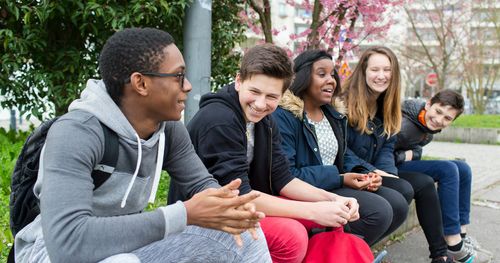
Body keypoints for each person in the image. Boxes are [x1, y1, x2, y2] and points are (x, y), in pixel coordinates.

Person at [13, 27, 271, 263]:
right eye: (179, 76)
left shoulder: (168, 130)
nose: (189, 87)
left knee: (246, 236)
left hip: (125, 246)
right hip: (50, 253)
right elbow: (67, 243)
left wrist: (228, 208)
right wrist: (184, 214)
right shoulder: (77, 133)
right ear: (141, 83)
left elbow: (202, 185)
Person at [170, 44, 372, 263]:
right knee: (291, 236)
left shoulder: (265, 120)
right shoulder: (219, 120)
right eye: (255, 92)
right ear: (239, 81)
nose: (260, 104)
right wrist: (314, 211)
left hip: (242, 207)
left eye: (271, 96)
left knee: (331, 217)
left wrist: (334, 199)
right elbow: (238, 196)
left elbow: (282, 177)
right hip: (206, 220)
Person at [341, 46, 458, 263]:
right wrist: (371, 171)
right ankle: (350, 251)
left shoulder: (388, 106)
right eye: (375, 69)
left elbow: (388, 146)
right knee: (402, 191)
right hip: (348, 171)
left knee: (420, 184)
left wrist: (388, 173)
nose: (381, 75)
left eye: (387, 70)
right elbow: (340, 149)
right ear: (363, 71)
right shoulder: (345, 103)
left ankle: (440, 255)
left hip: (374, 170)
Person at [272, 49, 395, 246]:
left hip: (331, 183)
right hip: (304, 191)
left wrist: (365, 173)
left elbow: (343, 154)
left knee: (397, 201)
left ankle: (350, 254)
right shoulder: (285, 116)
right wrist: (339, 178)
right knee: (379, 212)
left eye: (332, 74)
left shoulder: (332, 114)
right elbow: (287, 175)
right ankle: (327, 253)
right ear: (303, 77)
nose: (331, 80)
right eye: (322, 74)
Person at [395, 89, 478, 263]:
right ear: (428, 104)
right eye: (438, 112)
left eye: (447, 118)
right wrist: (406, 155)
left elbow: (417, 151)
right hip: (387, 170)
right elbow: (381, 152)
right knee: (447, 169)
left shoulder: (424, 122)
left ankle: (461, 235)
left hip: (402, 163)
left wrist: (413, 153)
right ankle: (453, 242)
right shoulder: (405, 125)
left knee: (463, 168)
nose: (439, 120)